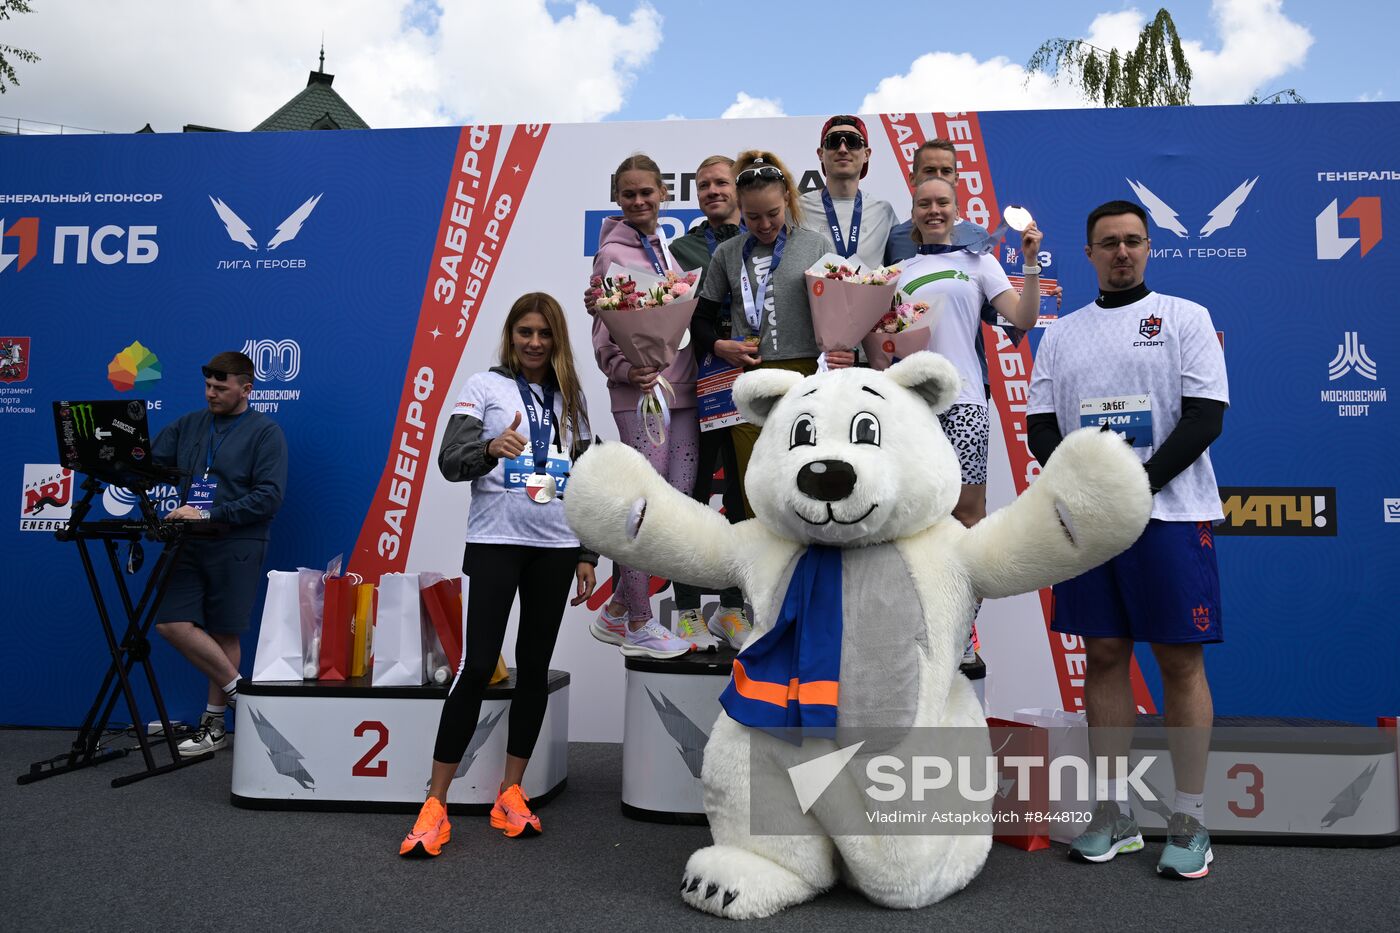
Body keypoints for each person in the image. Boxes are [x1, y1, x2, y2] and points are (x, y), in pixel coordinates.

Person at [1026, 200, 1228, 879]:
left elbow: (1205, 417)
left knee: (1178, 660)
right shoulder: (1061, 334)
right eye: (1108, 243)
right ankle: (1112, 813)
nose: (1121, 252)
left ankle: (1190, 817)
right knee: (1106, 653)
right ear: (1087, 253)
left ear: (1149, 248)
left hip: (1170, 514)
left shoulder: (1185, 318)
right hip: (1092, 523)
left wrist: (1138, 487)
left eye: (1133, 242)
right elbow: (1042, 428)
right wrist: (1091, 494)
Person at [400, 292, 599, 856]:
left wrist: (587, 553)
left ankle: (510, 792)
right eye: (524, 332)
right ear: (510, 335)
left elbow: (587, 481)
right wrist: (490, 446)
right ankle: (435, 803)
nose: (534, 343)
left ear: (556, 339)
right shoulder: (483, 387)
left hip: (556, 547)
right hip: (496, 542)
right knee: (479, 664)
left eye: (543, 334)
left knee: (533, 668)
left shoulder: (572, 400)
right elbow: (449, 460)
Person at [895, 176, 1043, 662]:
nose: (933, 210)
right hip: (912, 407)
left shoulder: (980, 263)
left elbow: (1021, 319)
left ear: (957, 211)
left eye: (942, 203)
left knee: (967, 517)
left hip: (964, 404)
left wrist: (1030, 263)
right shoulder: (898, 270)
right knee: (914, 522)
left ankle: (962, 631)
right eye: (924, 204)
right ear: (913, 212)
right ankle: (918, 626)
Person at [692, 150, 853, 521]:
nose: (764, 225)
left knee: (809, 475)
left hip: (809, 375)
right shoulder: (728, 254)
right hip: (752, 382)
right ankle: (760, 573)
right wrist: (720, 345)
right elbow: (698, 319)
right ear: (739, 208)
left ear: (788, 201)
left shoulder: (816, 245)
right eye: (752, 216)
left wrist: (847, 350)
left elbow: (845, 309)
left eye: (773, 214)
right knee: (756, 485)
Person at [587, 153, 698, 660]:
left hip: (679, 391)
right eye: (628, 193)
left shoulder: (664, 250)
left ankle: (616, 605)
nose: (638, 201)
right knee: (642, 511)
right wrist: (623, 368)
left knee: (672, 507)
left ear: (663, 195)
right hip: (640, 394)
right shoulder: (612, 252)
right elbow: (605, 325)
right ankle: (637, 620)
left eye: (646, 193)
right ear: (617, 198)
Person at [153, 351, 288, 757]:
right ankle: (243, 698)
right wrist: (113, 460)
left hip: (237, 542)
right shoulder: (190, 424)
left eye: (221, 387)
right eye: (208, 386)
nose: (211, 393)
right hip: (189, 540)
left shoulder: (266, 432)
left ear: (246, 389)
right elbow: (148, 465)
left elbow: (269, 497)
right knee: (171, 623)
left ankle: (214, 727)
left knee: (224, 631)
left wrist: (209, 512)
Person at [666, 155, 750, 651]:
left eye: (722, 183)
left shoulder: (765, 243)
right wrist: (716, 345)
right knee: (692, 495)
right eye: (704, 185)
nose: (713, 191)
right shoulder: (683, 247)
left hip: (754, 382)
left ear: (738, 189)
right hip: (697, 386)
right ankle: (689, 610)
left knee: (744, 495)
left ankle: (734, 609)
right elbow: (676, 313)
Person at [798, 115, 897, 270]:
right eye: (833, 141)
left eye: (853, 141)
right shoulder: (797, 209)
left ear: (866, 154)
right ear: (820, 154)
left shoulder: (884, 212)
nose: (843, 149)